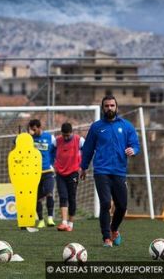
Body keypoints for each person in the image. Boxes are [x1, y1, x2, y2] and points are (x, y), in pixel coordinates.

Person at [80, 95, 140, 247]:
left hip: (119, 171)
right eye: (106, 106)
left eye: (112, 105)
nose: (109, 108)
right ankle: (106, 237)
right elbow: (87, 149)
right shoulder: (96, 127)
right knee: (105, 203)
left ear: (116, 107)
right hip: (101, 171)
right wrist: (83, 167)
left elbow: (135, 144)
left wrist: (133, 150)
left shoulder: (127, 126)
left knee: (122, 206)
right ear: (103, 108)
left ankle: (114, 229)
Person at [54, 122, 85, 232]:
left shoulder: (79, 140)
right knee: (63, 196)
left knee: (72, 198)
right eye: (64, 135)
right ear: (61, 133)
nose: (66, 137)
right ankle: (64, 222)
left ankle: (70, 224)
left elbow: (87, 152)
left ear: (72, 132)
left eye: (68, 135)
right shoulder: (56, 141)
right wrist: (52, 163)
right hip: (60, 173)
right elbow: (51, 151)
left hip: (73, 173)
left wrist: (83, 166)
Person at [28, 119, 56, 229]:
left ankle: (50, 218)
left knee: (49, 193)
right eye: (31, 129)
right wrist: (25, 136)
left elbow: (55, 150)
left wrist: (53, 163)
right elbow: (16, 142)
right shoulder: (29, 139)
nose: (33, 131)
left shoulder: (50, 137)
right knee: (37, 198)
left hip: (48, 171)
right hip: (34, 172)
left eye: (34, 129)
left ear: (39, 128)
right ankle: (40, 220)